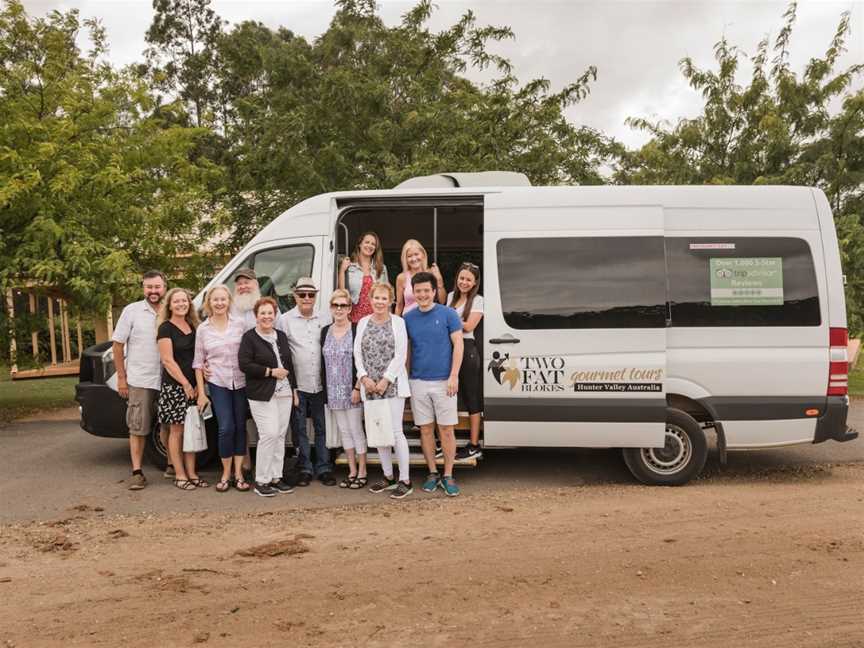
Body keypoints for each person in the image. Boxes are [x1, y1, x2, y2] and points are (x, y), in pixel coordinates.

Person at [404, 271, 464, 497]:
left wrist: (454, 375)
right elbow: (407, 350)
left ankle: (448, 475)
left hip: (444, 382)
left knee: (447, 430)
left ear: (434, 291)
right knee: (426, 430)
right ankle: (432, 473)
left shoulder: (449, 314)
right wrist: (408, 379)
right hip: (418, 382)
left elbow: (458, 344)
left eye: (426, 290)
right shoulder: (408, 318)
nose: (422, 295)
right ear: (413, 292)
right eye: (418, 291)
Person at [354, 282, 413, 499]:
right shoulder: (362, 323)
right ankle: (388, 476)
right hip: (369, 386)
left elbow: (401, 354)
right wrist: (363, 377)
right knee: (379, 432)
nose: (379, 302)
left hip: (392, 386)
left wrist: (386, 380)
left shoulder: (398, 323)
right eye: (376, 298)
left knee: (396, 432)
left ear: (390, 301)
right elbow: (357, 353)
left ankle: (405, 480)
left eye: (384, 298)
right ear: (370, 300)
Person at [111, 270, 168, 490]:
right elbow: (117, 345)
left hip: (168, 379)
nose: (153, 291)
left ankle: (173, 466)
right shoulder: (131, 311)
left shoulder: (171, 309)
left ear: (164, 286)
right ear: (143, 288)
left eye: (157, 287)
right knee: (138, 426)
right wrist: (122, 379)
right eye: (149, 287)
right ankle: (137, 472)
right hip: (140, 379)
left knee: (170, 425)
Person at [277, 277, 336, 487]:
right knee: (299, 429)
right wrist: (289, 386)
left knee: (322, 427)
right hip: (298, 385)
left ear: (316, 296)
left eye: (311, 294)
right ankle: (304, 468)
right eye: (302, 294)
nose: (307, 298)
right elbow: (281, 353)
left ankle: (324, 467)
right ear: (295, 296)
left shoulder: (325, 317)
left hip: (320, 384)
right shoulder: (284, 320)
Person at [238, 297, 299, 497]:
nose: (266, 317)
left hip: (285, 392)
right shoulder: (249, 338)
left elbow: (289, 365)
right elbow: (244, 365)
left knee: (281, 435)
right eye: (262, 313)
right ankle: (261, 480)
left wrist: (295, 390)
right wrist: (270, 372)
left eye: (270, 313)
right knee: (269, 434)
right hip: (261, 394)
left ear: (274, 315)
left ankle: (276, 477)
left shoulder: (280, 336)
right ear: (256, 316)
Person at [193, 285, 250, 493]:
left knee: (240, 427)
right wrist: (201, 393)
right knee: (226, 427)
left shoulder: (240, 324)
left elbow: (249, 351)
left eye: (223, 299)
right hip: (218, 382)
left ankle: (239, 474)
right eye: (215, 300)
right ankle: (225, 474)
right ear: (209, 303)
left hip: (241, 382)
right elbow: (198, 363)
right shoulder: (203, 329)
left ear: (229, 302)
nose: (219, 303)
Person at [156, 287, 208, 490]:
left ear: (189, 304)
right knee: (176, 431)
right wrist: (185, 384)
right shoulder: (165, 328)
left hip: (194, 386)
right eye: (176, 301)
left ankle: (192, 473)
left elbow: (200, 357)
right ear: (169, 305)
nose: (181, 304)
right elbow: (167, 360)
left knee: (191, 431)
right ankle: (179, 475)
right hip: (174, 388)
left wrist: (197, 383)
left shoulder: (194, 326)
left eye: (184, 301)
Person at [320, 289, 366, 488]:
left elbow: (361, 360)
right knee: (345, 432)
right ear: (331, 308)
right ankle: (352, 470)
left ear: (349, 308)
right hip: (333, 389)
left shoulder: (356, 329)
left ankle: (363, 471)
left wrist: (357, 387)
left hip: (352, 388)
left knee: (356, 430)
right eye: (335, 305)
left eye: (343, 305)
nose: (339, 309)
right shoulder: (325, 331)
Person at [448, 263, 484, 460]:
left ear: (475, 282)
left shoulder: (478, 300)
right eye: (461, 278)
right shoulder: (449, 297)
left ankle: (474, 444)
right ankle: (448, 441)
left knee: (471, 395)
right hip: (450, 349)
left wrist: (450, 320)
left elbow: (469, 326)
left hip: (468, 349)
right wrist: (455, 321)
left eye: (469, 279)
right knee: (450, 395)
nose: (464, 282)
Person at [338, 231, 389, 323]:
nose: (370, 246)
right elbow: (342, 293)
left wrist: (389, 317)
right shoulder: (349, 267)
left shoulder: (381, 268)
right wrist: (342, 270)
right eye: (367, 242)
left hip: (376, 316)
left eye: (373, 244)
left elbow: (387, 294)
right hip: (354, 317)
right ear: (359, 244)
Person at [395, 239, 445, 315]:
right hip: (409, 321)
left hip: (430, 318)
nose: (414, 259)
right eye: (409, 256)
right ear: (405, 259)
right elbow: (399, 305)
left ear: (423, 254)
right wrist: (396, 324)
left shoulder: (432, 273)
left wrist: (439, 280)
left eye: (416, 254)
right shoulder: (402, 277)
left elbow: (442, 301)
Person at [231, 267, 262, 332]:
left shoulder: (268, 306)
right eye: (239, 284)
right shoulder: (228, 309)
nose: (243, 287)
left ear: (256, 284)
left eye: (246, 282)